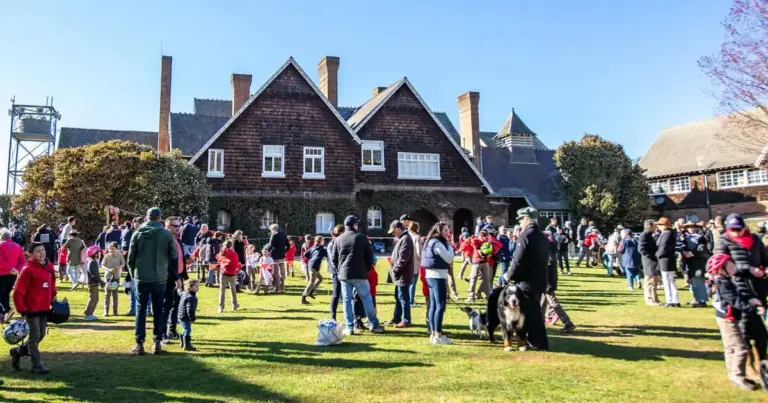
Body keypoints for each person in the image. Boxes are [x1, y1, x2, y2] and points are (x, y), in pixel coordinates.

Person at [713, 213, 768, 364]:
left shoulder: (755, 239)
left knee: (761, 334)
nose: (736, 232)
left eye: (738, 229)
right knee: (744, 330)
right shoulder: (724, 241)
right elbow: (720, 264)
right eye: (733, 229)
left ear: (744, 228)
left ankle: (762, 362)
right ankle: (748, 365)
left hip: (758, 287)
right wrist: (748, 269)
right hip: (738, 287)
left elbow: (765, 259)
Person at [127, 207, 178, 356]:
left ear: (147, 217)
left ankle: (139, 343)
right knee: (158, 310)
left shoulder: (137, 234)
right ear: (159, 218)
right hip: (159, 277)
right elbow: (173, 255)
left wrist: (134, 274)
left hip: (141, 276)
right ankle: (156, 343)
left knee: (141, 310)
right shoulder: (166, 234)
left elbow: (130, 259)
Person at [708, 254, 762, 391]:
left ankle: (733, 374)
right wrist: (753, 308)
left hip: (726, 318)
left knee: (730, 348)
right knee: (740, 348)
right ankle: (738, 376)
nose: (733, 266)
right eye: (730, 265)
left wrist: (751, 300)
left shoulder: (725, 281)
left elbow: (739, 296)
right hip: (728, 320)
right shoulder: (723, 284)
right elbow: (735, 302)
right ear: (721, 269)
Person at [503, 207, 549, 350]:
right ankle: (534, 340)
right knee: (534, 311)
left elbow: (517, 260)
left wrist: (508, 275)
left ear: (527, 219)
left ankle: (537, 342)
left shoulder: (525, 236)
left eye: (521, 219)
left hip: (526, 280)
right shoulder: (542, 236)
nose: (520, 223)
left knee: (531, 313)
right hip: (539, 279)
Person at [328, 215, 383, 335]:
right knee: (367, 299)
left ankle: (350, 327)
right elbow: (370, 257)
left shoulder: (338, 239)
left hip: (344, 274)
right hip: (360, 274)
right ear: (354, 225)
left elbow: (333, 259)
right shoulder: (362, 238)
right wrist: (367, 269)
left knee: (347, 301)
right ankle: (373, 324)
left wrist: (339, 270)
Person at [10, 242, 56, 374]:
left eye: (43, 250)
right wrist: (22, 309)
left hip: (44, 307)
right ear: (30, 254)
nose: (41, 253)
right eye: (38, 251)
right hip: (31, 308)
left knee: (40, 335)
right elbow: (18, 292)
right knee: (34, 336)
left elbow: (51, 282)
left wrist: (53, 296)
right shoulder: (27, 270)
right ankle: (36, 364)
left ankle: (17, 352)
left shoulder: (48, 266)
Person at [422, 222, 455, 345]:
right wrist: (450, 246)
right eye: (445, 230)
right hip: (437, 277)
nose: (448, 233)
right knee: (440, 306)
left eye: (448, 230)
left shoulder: (431, 241)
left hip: (431, 276)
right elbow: (449, 258)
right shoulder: (438, 243)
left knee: (434, 306)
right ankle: (438, 335)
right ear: (439, 231)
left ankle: (433, 334)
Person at [541, 229, 576, 333]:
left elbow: (546, 271)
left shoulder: (548, 256)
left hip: (548, 283)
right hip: (548, 283)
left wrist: (546, 284)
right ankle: (539, 322)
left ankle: (568, 323)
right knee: (542, 303)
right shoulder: (551, 253)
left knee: (553, 303)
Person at [387, 220, 414, 328]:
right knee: (398, 297)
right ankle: (397, 317)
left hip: (403, 274)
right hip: (400, 274)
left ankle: (406, 320)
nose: (393, 233)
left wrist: (394, 270)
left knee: (403, 298)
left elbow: (403, 258)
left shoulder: (406, 239)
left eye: (393, 231)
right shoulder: (403, 238)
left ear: (398, 228)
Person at [162, 216, 185, 344]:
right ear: (168, 226)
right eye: (175, 226)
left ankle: (172, 330)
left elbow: (178, 258)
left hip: (178, 276)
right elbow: (167, 262)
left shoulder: (176, 239)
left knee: (175, 305)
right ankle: (163, 333)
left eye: (179, 225)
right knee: (166, 306)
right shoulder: (166, 239)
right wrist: (176, 278)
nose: (178, 228)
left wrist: (182, 275)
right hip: (168, 278)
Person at [681, 223, 711, 307]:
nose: (691, 228)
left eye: (693, 227)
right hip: (690, 262)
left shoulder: (701, 237)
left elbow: (701, 248)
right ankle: (697, 299)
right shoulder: (686, 237)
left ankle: (702, 301)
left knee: (699, 280)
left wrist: (690, 253)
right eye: (689, 227)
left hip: (699, 262)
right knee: (693, 281)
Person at [656, 217, 680, 307]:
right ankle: (675, 300)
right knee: (670, 280)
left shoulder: (666, 233)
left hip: (665, 259)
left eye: (660, 225)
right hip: (669, 259)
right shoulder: (669, 233)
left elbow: (663, 248)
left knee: (667, 281)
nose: (658, 226)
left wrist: (657, 255)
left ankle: (670, 300)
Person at [0, 229, 25, 315]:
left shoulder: (0, 245)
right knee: (6, 294)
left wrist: (9, 269)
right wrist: (17, 270)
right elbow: (22, 260)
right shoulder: (17, 246)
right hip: (12, 275)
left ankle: (6, 310)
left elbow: (1, 261)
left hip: (2, 273)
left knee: (2, 295)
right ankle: (5, 312)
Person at [466, 230, 493, 303]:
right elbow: (473, 242)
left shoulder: (481, 240)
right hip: (479, 262)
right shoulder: (480, 241)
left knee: (481, 279)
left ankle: (476, 294)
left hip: (481, 262)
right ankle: (473, 295)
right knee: (479, 279)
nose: (486, 237)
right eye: (485, 235)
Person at [638, 220, 660, 306]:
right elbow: (641, 249)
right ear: (649, 226)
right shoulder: (644, 235)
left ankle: (655, 299)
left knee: (654, 281)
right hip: (649, 261)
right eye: (654, 225)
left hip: (653, 260)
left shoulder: (650, 235)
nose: (656, 227)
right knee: (650, 281)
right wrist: (651, 256)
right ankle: (649, 299)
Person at [216, 240, 240, 313]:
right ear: (231, 246)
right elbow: (235, 264)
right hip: (232, 274)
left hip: (223, 273)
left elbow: (217, 258)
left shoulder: (222, 253)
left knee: (222, 290)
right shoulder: (233, 253)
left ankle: (221, 307)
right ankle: (234, 305)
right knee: (233, 290)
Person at [301, 236, 327, 304]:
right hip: (314, 267)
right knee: (311, 282)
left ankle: (311, 292)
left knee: (320, 279)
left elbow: (305, 254)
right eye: (323, 240)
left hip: (311, 265)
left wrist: (312, 258)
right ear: (321, 241)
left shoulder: (313, 247)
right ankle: (303, 297)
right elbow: (328, 255)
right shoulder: (322, 249)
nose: (323, 242)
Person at [102, 242, 125, 316]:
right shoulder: (106, 256)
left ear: (116, 249)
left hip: (116, 277)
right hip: (108, 277)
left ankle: (115, 311)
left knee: (115, 295)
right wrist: (109, 269)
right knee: (107, 295)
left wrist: (118, 267)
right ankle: (106, 311)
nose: (111, 250)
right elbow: (103, 265)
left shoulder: (120, 255)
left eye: (113, 249)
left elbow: (123, 263)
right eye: (110, 249)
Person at [327, 225, 344, 320]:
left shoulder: (342, 242)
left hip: (344, 271)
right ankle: (333, 317)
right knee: (336, 294)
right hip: (336, 272)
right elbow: (333, 260)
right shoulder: (332, 244)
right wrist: (339, 271)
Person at [178, 279, 199, 352]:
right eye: (196, 286)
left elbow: (179, 293)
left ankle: (183, 343)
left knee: (185, 329)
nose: (198, 288)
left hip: (181, 315)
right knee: (188, 329)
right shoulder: (191, 297)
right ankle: (187, 345)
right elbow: (190, 309)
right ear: (190, 287)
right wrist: (192, 318)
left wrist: (178, 289)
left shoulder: (184, 293)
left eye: (198, 286)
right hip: (185, 316)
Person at [83, 245, 103, 320]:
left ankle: (90, 314)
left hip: (94, 283)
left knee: (96, 299)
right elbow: (95, 274)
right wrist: (101, 281)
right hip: (92, 283)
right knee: (92, 299)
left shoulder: (93, 261)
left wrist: (100, 281)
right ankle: (87, 314)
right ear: (95, 254)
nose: (100, 253)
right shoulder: (92, 262)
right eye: (99, 252)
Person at [267, 224, 288, 294]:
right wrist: (284, 251)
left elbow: (270, 245)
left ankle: (278, 289)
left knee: (276, 274)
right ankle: (282, 288)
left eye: (271, 230)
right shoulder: (283, 234)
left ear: (273, 229)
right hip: (282, 256)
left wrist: (266, 251)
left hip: (275, 256)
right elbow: (288, 245)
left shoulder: (274, 235)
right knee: (282, 273)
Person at [408, 222, 424, 307]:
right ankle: (411, 301)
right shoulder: (417, 237)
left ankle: (409, 300)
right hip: (414, 263)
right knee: (413, 283)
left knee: (408, 283)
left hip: (407, 262)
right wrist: (422, 260)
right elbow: (419, 251)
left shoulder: (407, 236)